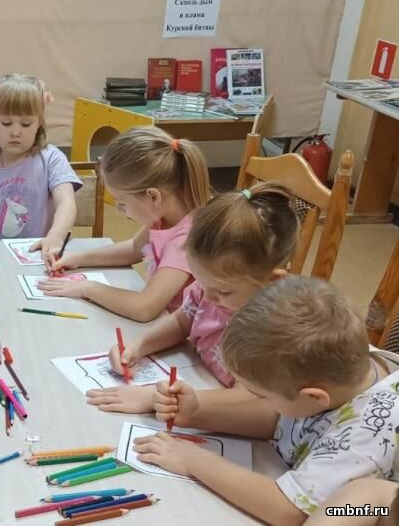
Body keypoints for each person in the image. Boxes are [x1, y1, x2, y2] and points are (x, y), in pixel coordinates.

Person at [139, 277, 399, 525]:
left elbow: (289, 511)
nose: (258, 399)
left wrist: (194, 461)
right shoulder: (338, 364)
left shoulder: (367, 434)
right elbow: (280, 420)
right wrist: (198, 414)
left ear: (314, 396)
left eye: (262, 394)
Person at [87, 183, 298, 413]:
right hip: (200, 379)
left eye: (224, 291)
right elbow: (182, 321)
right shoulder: (213, 290)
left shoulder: (271, 331)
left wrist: (161, 400)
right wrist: (138, 346)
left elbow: (253, 404)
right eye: (201, 281)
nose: (207, 295)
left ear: (273, 282)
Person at [38, 128, 209, 322]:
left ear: (153, 196)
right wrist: (78, 258)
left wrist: (88, 288)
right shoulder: (165, 216)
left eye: (121, 202)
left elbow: (144, 308)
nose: (118, 210)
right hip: (163, 323)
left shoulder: (187, 239)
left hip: (185, 335)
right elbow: (134, 248)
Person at [0, 74, 81, 269]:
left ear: (39, 123)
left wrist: (56, 236)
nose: (15, 132)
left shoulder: (51, 159)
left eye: (26, 124)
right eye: (6, 123)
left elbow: (66, 203)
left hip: (40, 257)